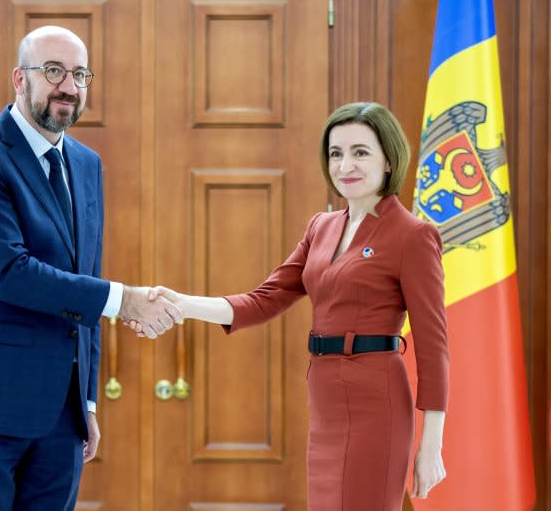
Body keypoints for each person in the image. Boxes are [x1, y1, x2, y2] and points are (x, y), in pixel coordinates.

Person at [136, 102, 449, 510]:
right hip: (325, 398)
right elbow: (262, 301)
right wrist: (182, 304)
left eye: (360, 152)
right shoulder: (322, 227)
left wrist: (431, 446)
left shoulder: (413, 235)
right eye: (336, 153)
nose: (345, 165)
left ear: (389, 160)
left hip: (376, 402)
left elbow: (433, 346)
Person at [0, 25, 181, 510]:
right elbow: (9, 273)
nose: (69, 86)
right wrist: (123, 300)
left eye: (80, 74)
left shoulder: (86, 164)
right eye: (54, 71)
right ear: (20, 79)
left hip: (61, 416)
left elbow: (85, 275)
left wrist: (86, 401)